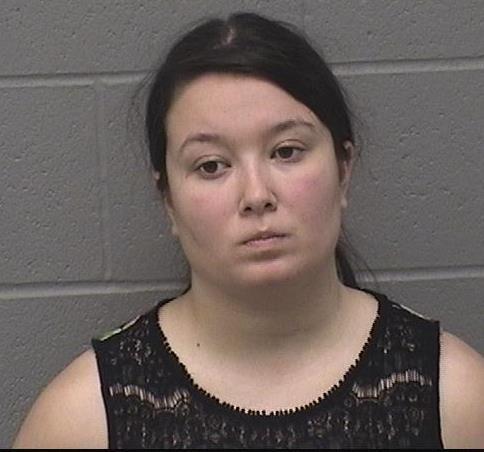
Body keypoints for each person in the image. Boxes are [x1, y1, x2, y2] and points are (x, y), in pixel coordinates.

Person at [13, 12, 484, 449]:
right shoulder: (82, 419)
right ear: (167, 199)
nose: (256, 194)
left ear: (344, 168)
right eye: (211, 165)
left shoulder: (455, 396)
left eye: (286, 151)